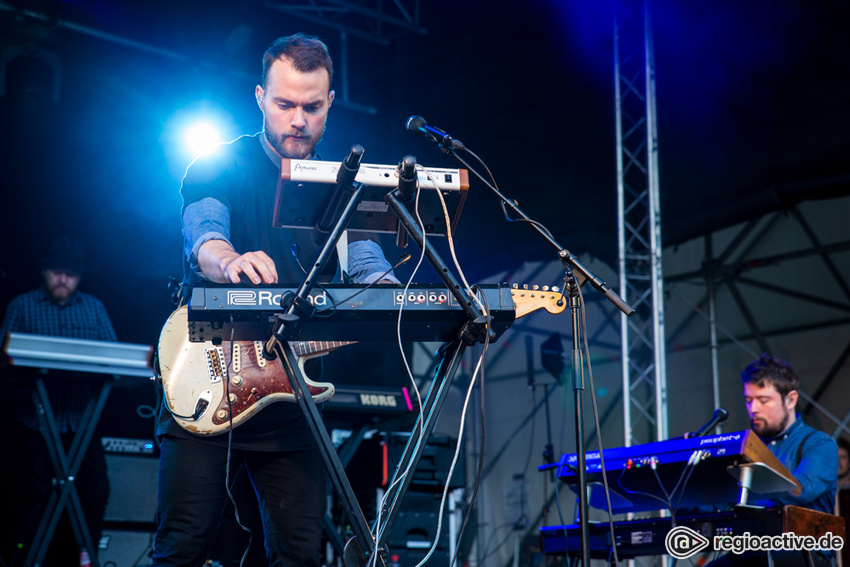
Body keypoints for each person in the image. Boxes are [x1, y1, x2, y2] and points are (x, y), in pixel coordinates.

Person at [152, 33, 400, 567]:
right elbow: (206, 239)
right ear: (260, 97)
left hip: (292, 406)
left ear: (330, 103)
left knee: (299, 557)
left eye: (312, 106)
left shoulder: (345, 188)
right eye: (285, 104)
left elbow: (369, 268)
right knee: (184, 548)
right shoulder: (218, 164)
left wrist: (393, 294)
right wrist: (230, 260)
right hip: (207, 382)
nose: (298, 119)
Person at [0, 235, 117, 566]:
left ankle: (84, 559)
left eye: (71, 273)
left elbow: (116, 359)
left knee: (95, 492)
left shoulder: (93, 308)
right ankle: (35, 560)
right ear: (44, 272)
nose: (63, 279)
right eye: (56, 272)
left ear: (79, 277)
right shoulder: (21, 306)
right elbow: (4, 359)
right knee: (33, 495)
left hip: (82, 421)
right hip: (35, 423)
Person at [707, 353, 838, 567]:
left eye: (763, 400)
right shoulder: (748, 447)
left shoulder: (819, 444)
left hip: (801, 555)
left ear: (791, 399)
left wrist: (745, 488)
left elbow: (801, 489)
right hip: (750, 553)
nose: (754, 408)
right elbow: (718, 503)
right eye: (749, 400)